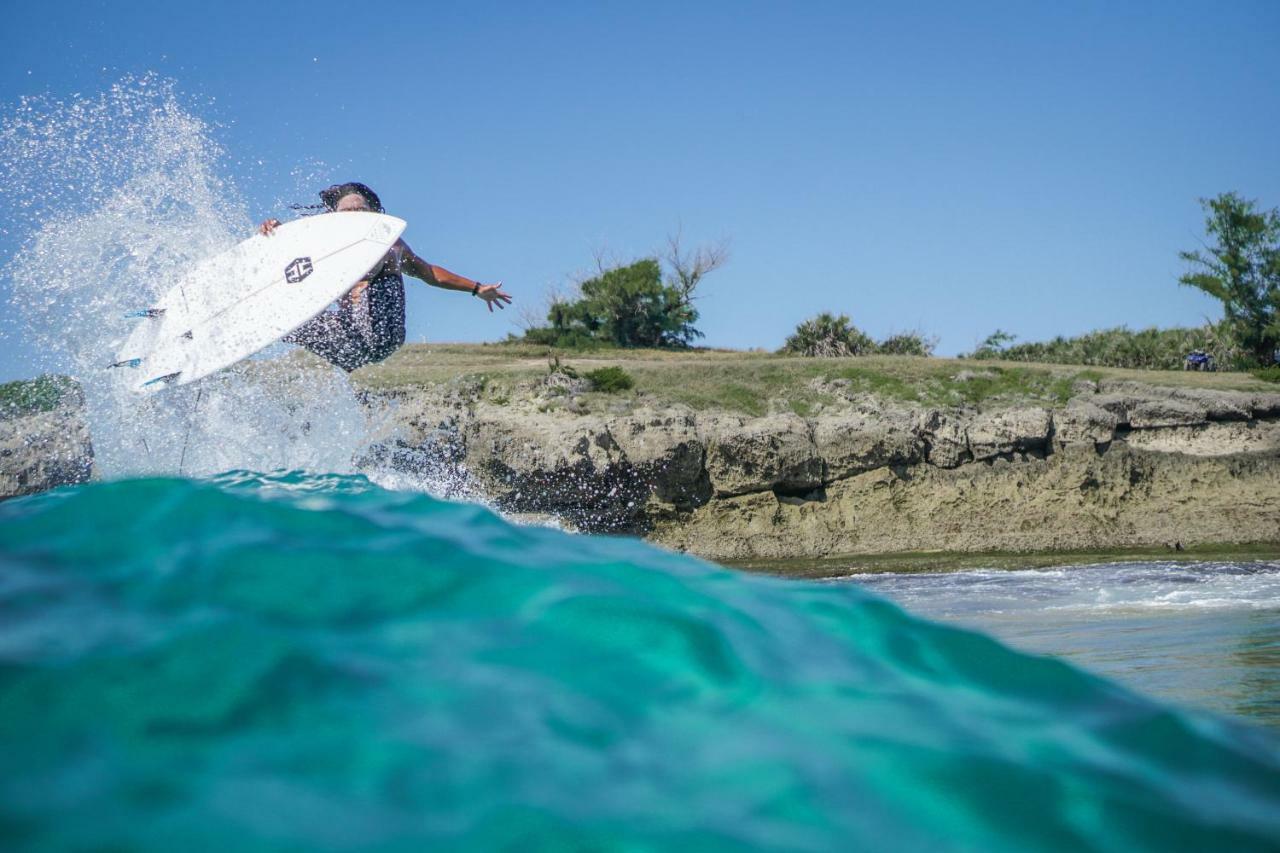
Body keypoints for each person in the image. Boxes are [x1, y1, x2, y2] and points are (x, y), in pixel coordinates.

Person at [259, 182, 511, 372]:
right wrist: (278, 234)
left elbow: (429, 273)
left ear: (373, 212)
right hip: (348, 343)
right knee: (280, 319)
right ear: (333, 217)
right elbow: (295, 267)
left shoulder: (390, 246)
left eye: (361, 209)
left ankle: (270, 320)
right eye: (347, 211)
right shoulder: (325, 249)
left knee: (284, 318)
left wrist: (476, 288)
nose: (355, 214)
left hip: (381, 338)